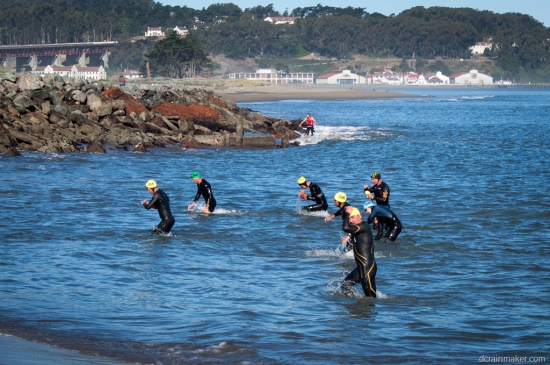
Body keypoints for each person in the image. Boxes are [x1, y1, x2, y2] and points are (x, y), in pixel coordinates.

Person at [341, 206, 377, 298]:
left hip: (367, 267)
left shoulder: (364, 227)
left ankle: (369, 311)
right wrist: (349, 236)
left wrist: (347, 213)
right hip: (360, 268)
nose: (350, 220)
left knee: (370, 297)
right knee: (345, 285)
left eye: (352, 217)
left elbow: (345, 227)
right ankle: (357, 306)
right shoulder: (357, 230)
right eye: (349, 218)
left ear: (359, 216)